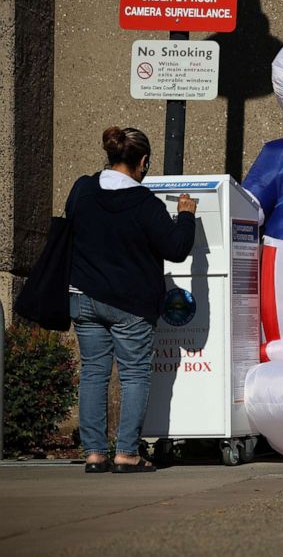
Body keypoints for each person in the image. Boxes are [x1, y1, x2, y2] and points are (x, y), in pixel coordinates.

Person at [68, 127, 196, 473]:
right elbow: (177, 249)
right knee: (134, 375)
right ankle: (126, 453)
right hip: (129, 303)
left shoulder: (83, 189)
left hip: (83, 295)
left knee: (93, 372)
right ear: (143, 162)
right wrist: (185, 215)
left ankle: (94, 454)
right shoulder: (145, 204)